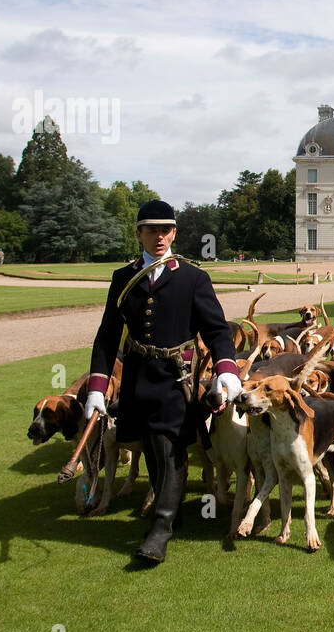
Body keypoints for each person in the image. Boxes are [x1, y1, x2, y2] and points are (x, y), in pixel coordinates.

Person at [83, 200, 242, 563]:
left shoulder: (192, 277)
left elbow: (216, 329)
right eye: (151, 230)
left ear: (174, 233)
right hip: (139, 375)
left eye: (166, 230)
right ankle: (174, 512)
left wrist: (227, 369)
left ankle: (161, 528)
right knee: (151, 448)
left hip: (177, 378)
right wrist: (96, 387)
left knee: (169, 445)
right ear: (138, 233)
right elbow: (108, 336)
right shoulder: (123, 279)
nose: (159, 236)